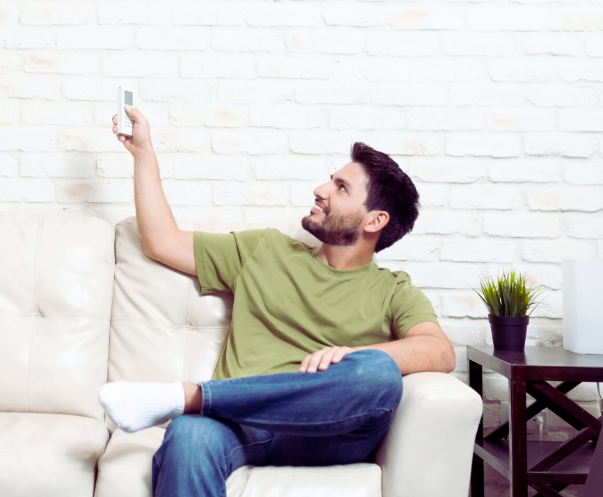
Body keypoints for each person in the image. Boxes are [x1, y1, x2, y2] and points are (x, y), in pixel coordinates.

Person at [99, 105, 456, 497]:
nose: (320, 190)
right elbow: (162, 242)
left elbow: (439, 352)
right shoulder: (265, 249)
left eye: (341, 188)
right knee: (189, 434)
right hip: (237, 423)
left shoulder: (393, 290)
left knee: (380, 374)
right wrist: (144, 152)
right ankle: (199, 404)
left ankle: (190, 397)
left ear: (374, 221)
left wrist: (352, 356)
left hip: (327, 434)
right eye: (330, 180)